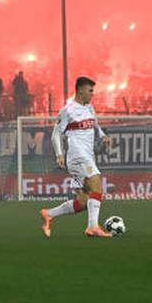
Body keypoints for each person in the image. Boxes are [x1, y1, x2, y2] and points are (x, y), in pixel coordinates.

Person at [40, 76, 116, 238]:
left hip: (88, 155)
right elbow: (55, 135)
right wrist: (59, 155)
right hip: (76, 155)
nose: (92, 94)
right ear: (80, 90)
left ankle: (49, 214)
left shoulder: (90, 108)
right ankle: (92, 227)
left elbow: (96, 126)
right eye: (90, 90)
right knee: (97, 184)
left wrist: (103, 137)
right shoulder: (67, 110)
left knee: (83, 202)